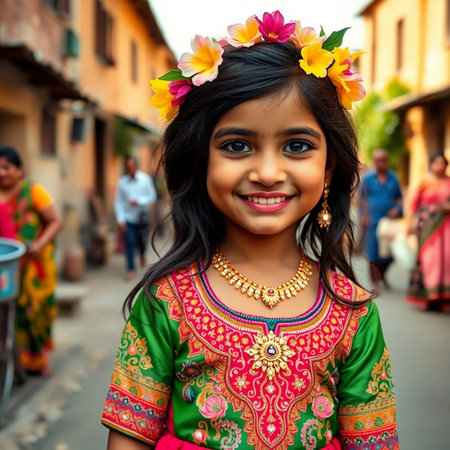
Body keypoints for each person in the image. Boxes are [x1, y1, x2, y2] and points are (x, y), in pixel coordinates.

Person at [101, 11, 399, 449]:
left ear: (329, 166)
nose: (266, 172)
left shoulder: (353, 314)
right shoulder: (166, 302)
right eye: (237, 146)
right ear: (203, 161)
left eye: (297, 146)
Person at [0, 146, 61, 375]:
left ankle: (39, 360)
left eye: (6, 167)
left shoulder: (33, 191)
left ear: (20, 170)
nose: (2, 173)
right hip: (7, 265)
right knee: (8, 315)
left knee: (36, 312)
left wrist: (39, 244)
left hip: (35, 266)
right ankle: (16, 362)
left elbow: (55, 221)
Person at [407, 151, 450, 311]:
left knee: (445, 261)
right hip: (427, 226)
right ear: (431, 164)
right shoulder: (425, 182)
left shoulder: (448, 182)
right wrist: (409, 223)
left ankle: (442, 298)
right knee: (428, 260)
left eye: (443, 163)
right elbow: (414, 204)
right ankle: (426, 297)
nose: (440, 166)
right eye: (436, 163)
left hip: (446, 228)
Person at [359, 149, 403, 292]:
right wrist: (363, 215)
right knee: (373, 253)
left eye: (383, 160)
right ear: (374, 161)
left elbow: (399, 198)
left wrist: (397, 208)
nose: (381, 163)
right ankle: (375, 283)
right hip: (372, 221)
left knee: (389, 254)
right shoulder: (368, 178)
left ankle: (382, 275)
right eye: (378, 160)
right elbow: (362, 198)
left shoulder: (393, 178)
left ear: (387, 161)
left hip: (389, 222)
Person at [114, 156, 157, 280]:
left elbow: (152, 196)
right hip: (128, 218)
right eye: (128, 167)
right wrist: (120, 219)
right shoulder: (122, 182)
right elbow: (119, 202)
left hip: (142, 217)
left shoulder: (145, 180)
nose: (130, 169)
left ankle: (143, 254)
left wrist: (139, 201)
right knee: (130, 242)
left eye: (132, 167)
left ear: (136, 167)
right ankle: (130, 268)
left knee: (142, 241)